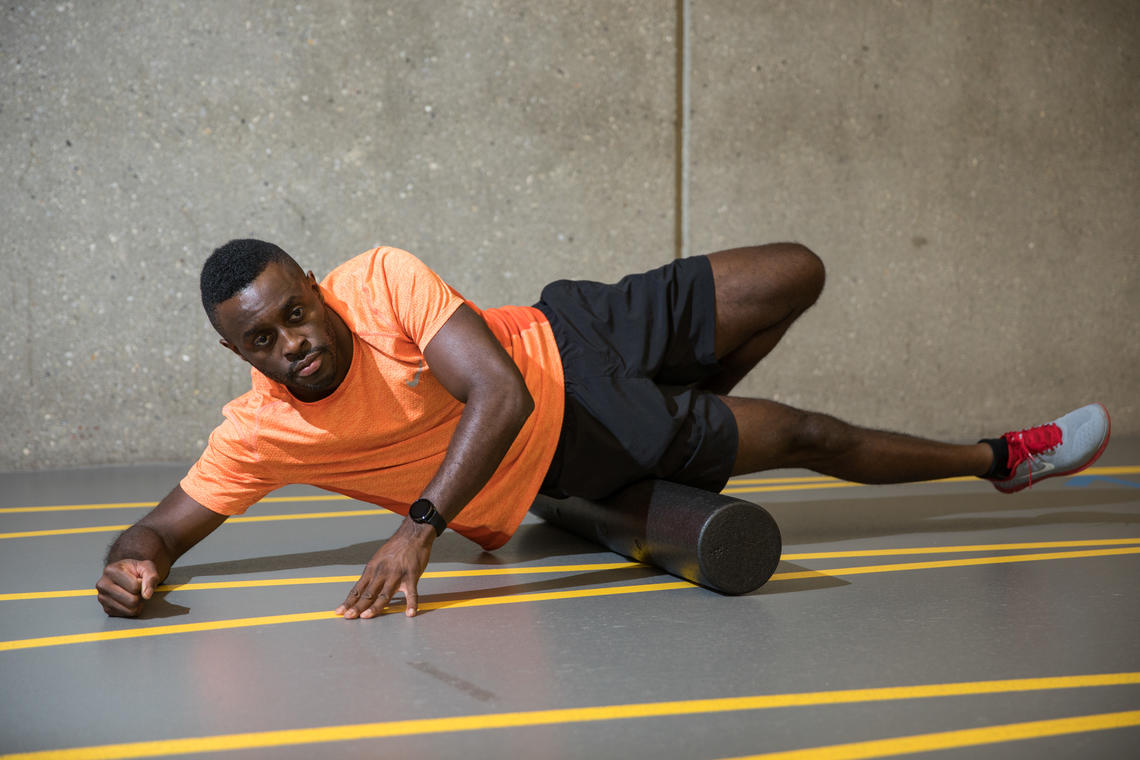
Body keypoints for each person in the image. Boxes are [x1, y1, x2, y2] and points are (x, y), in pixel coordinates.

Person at [95, 240, 1111, 619]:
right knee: (806, 432)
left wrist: (417, 526)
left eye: (295, 315)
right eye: (262, 343)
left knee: (793, 271)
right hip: (579, 437)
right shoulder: (260, 431)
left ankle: (694, 420)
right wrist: (131, 565)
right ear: (241, 358)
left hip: (568, 326)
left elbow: (495, 388)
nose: (290, 346)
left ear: (318, 288)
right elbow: (159, 531)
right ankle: (1004, 460)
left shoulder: (378, 280)